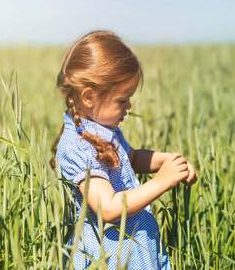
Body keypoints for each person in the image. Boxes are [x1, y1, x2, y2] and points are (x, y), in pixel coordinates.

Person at [50, 30, 198, 269]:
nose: (129, 106)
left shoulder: (104, 130)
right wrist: (161, 182)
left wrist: (169, 162)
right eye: (122, 100)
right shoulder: (78, 147)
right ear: (89, 97)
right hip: (107, 259)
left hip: (133, 250)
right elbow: (107, 208)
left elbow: (133, 158)